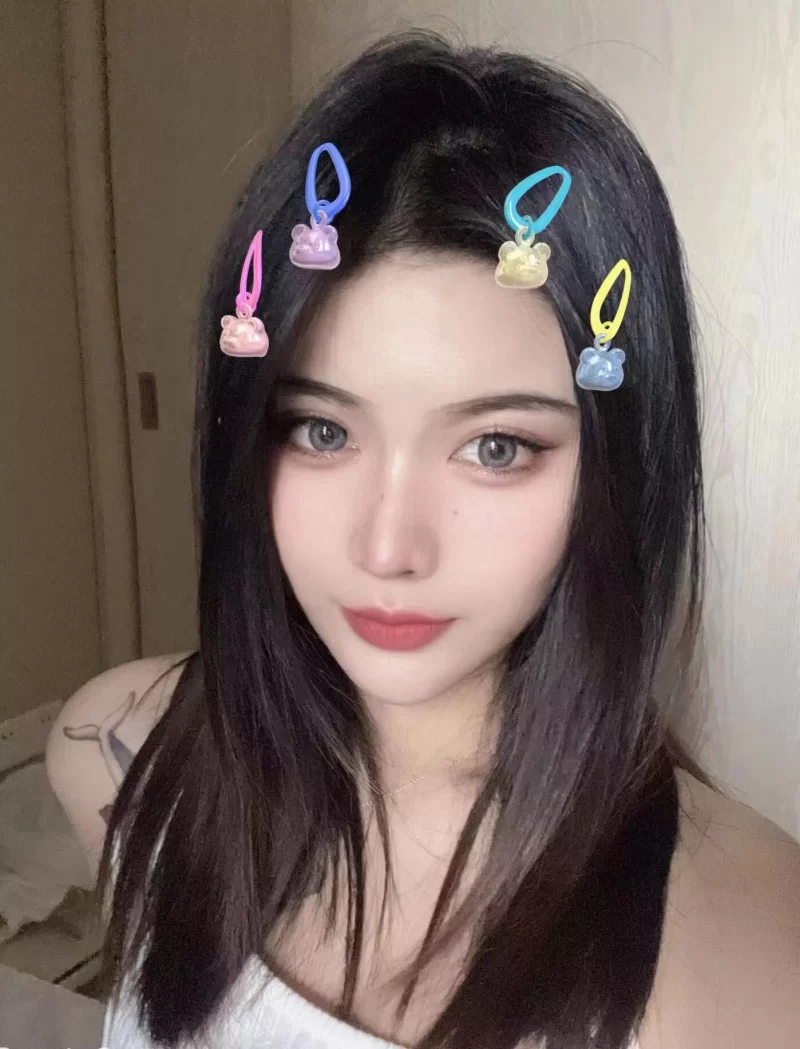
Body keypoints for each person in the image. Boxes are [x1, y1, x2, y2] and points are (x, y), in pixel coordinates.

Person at [46, 29, 800, 1049]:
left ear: (614, 475)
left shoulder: (736, 947)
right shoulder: (118, 752)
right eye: (321, 430)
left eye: (495, 446)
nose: (388, 547)